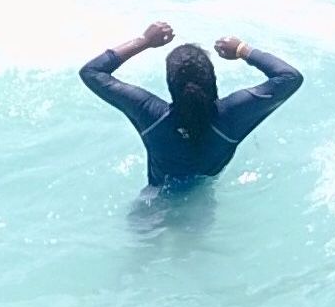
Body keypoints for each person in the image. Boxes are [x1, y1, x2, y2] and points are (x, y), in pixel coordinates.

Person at [80, 22, 303, 190]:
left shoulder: (150, 114)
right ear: (213, 82)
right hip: (201, 209)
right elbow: (289, 77)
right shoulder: (232, 116)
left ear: (170, 85)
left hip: (153, 204)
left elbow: (92, 72)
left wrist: (144, 40)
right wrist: (242, 50)